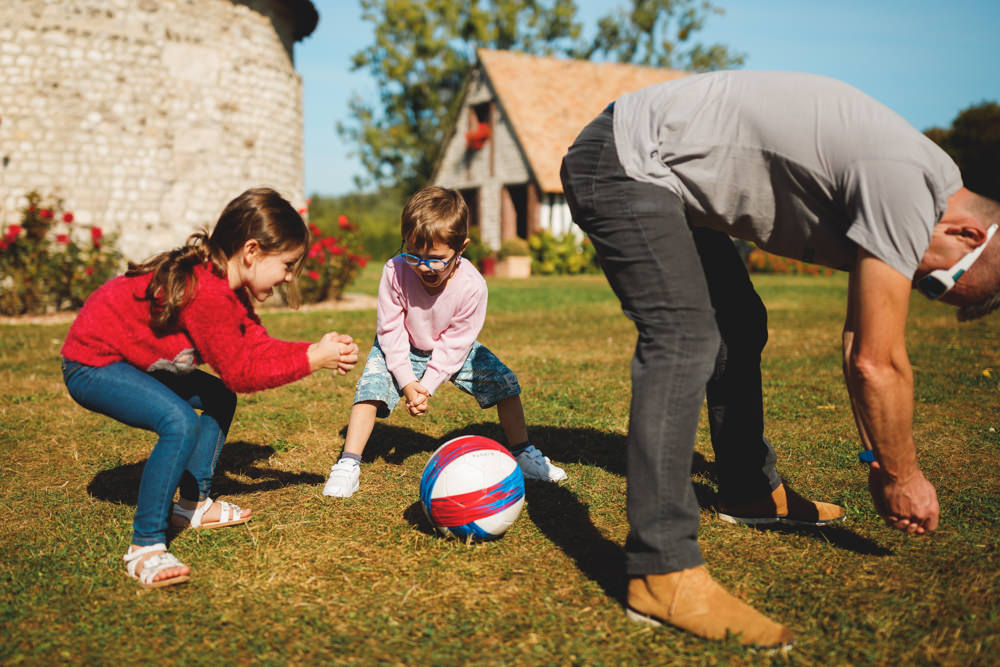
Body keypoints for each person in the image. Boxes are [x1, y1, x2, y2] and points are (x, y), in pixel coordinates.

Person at [559, 70, 1000, 648]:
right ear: (968, 232)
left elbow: (858, 342)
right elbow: (876, 360)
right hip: (624, 161)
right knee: (685, 334)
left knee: (739, 324)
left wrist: (878, 458)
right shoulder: (906, 187)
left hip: (665, 180)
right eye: (940, 284)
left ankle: (747, 490)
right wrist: (902, 475)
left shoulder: (916, 183)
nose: (922, 286)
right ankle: (661, 569)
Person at [61, 187, 360, 589]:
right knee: (179, 421)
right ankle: (145, 547)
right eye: (287, 264)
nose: (289, 276)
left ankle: (193, 504)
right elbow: (242, 372)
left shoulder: (230, 288)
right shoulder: (211, 293)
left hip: (136, 359)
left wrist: (312, 350)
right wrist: (312, 360)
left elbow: (254, 344)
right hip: (92, 363)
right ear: (252, 252)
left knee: (218, 396)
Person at [323, 186, 567, 498]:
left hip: (453, 351)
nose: (424, 266)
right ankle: (348, 463)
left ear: (461, 248)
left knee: (505, 384)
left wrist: (427, 384)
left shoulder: (472, 286)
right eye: (414, 255)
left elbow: (456, 344)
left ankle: (523, 453)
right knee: (369, 389)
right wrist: (408, 381)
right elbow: (390, 333)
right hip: (402, 346)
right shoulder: (394, 271)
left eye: (436, 259)